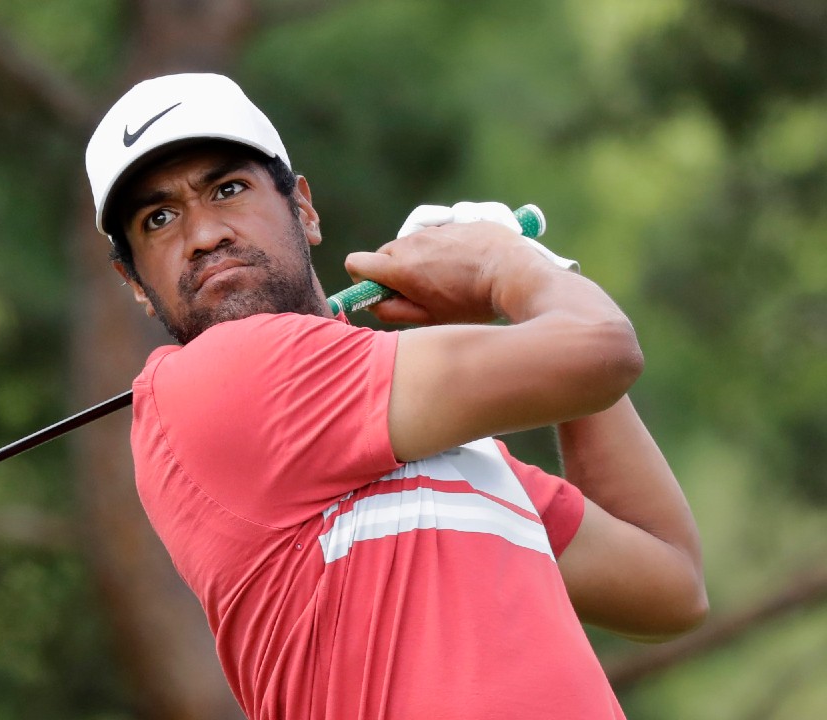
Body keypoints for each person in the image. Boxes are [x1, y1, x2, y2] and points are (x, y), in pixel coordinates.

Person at [83, 72, 707, 720]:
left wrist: (531, 295)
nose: (205, 234)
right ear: (133, 279)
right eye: (159, 218)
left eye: (227, 188)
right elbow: (602, 349)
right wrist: (510, 267)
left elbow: (669, 583)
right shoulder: (218, 378)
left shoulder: (455, 454)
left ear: (303, 207)